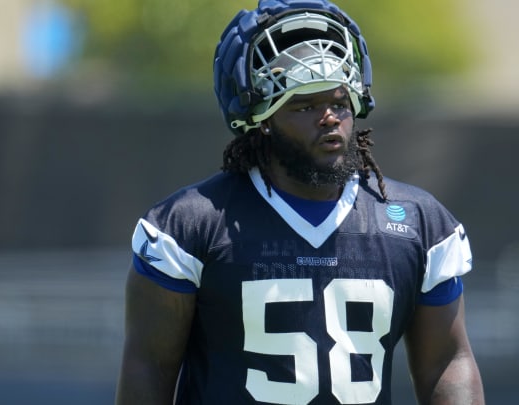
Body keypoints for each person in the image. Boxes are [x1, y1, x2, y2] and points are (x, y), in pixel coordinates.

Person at [115, 0, 485, 404]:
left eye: (339, 102)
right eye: (305, 105)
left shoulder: (418, 222)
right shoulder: (191, 225)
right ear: (262, 120)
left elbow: (447, 362)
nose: (329, 117)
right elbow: (148, 368)